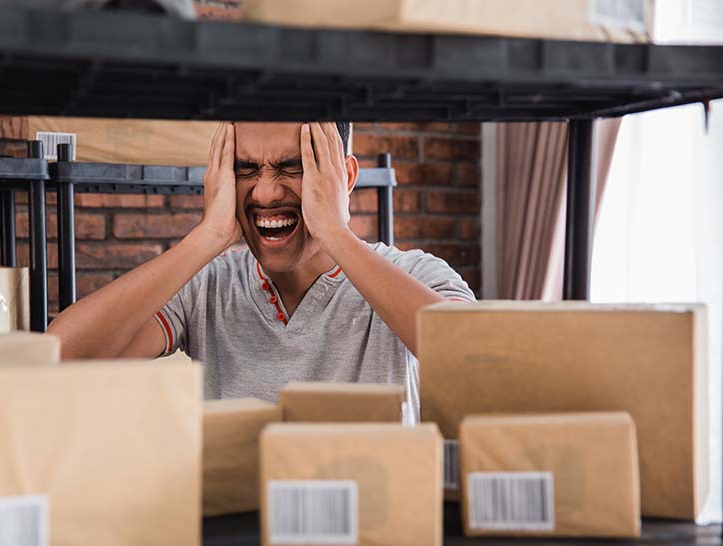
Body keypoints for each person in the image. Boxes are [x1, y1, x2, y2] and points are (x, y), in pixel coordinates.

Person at [48, 122, 474, 414]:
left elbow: (472, 363)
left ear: (344, 177)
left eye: (293, 167)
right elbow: (59, 357)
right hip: (239, 537)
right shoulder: (208, 287)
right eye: (246, 170)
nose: (266, 192)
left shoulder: (417, 273)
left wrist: (333, 231)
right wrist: (207, 237)